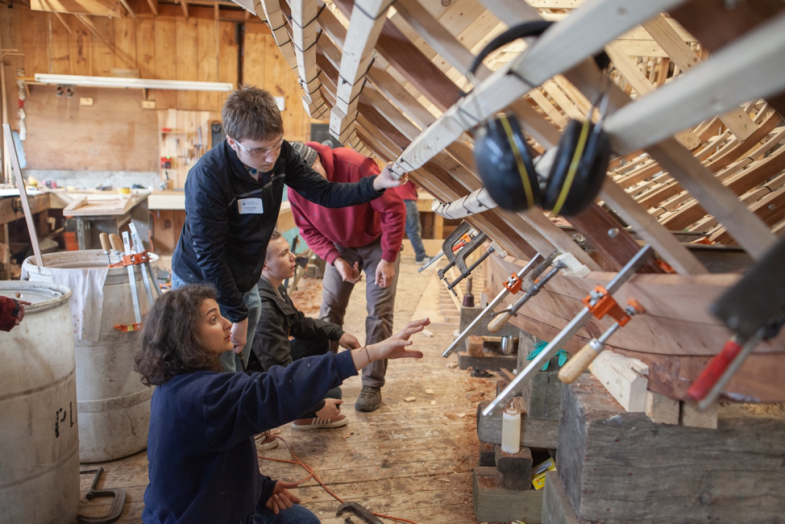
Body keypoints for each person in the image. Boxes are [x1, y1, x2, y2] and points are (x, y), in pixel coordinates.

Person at [134, 284, 428, 524]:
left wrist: (261, 487)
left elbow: (209, 463)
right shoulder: (205, 396)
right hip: (196, 517)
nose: (227, 323)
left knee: (302, 520)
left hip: (208, 506)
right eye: (213, 319)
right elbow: (274, 389)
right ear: (187, 338)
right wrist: (371, 353)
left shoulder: (176, 385)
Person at [170, 87, 406, 372]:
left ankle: (244, 408)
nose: (271, 158)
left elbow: (325, 192)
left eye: (276, 144)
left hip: (244, 277)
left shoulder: (280, 156)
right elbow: (210, 255)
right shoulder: (207, 177)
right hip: (201, 280)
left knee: (239, 360)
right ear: (232, 142)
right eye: (258, 151)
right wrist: (237, 315)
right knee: (214, 364)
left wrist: (376, 184)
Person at [288, 142, 405, 412]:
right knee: (329, 310)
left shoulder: (356, 165)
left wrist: (388, 258)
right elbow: (306, 229)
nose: (309, 184)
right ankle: (324, 378)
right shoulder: (295, 187)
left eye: (312, 175)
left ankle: (372, 383)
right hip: (339, 245)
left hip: (377, 241)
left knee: (378, 311)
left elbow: (393, 210)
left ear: (318, 161)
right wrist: (335, 259)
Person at [250, 230, 362, 431]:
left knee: (320, 340)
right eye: (284, 254)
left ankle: (304, 405)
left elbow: (300, 325)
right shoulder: (264, 307)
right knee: (332, 394)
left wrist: (337, 332)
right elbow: (278, 370)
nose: (293, 256)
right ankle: (304, 415)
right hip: (259, 379)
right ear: (265, 265)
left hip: (270, 364)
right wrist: (317, 405)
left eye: (289, 251)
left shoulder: (274, 286)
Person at [394, 181, 431, 263]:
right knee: (413, 230)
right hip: (407, 200)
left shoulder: (392, 168)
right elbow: (418, 185)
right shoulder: (410, 169)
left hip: (395, 199)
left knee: (394, 230)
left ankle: (392, 257)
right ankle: (420, 256)